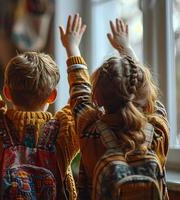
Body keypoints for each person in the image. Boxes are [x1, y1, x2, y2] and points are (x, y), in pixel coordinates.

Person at [0, 11, 86, 199]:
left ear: (7, 93)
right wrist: (73, 49)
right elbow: (82, 101)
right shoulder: (64, 131)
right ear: (52, 96)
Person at [60, 15, 169, 199]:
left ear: (97, 99)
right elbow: (147, 95)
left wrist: (72, 47)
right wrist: (126, 48)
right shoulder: (158, 131)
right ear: (146, 95)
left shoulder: (90, 132)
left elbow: (79, 93)